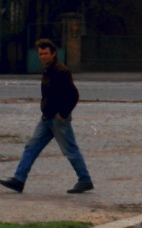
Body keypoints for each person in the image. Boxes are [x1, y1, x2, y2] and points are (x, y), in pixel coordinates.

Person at [0, 39, 94, 194]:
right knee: (31, 147)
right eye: (40, 54)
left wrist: (62, 115)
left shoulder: (61, 71)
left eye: (45, 53)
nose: (42, 57)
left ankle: (85, 180)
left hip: (58, 120)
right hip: (46, 118)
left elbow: (73, 95)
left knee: (70, 149)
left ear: (53, 54)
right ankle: (19, 179)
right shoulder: (47, 70)